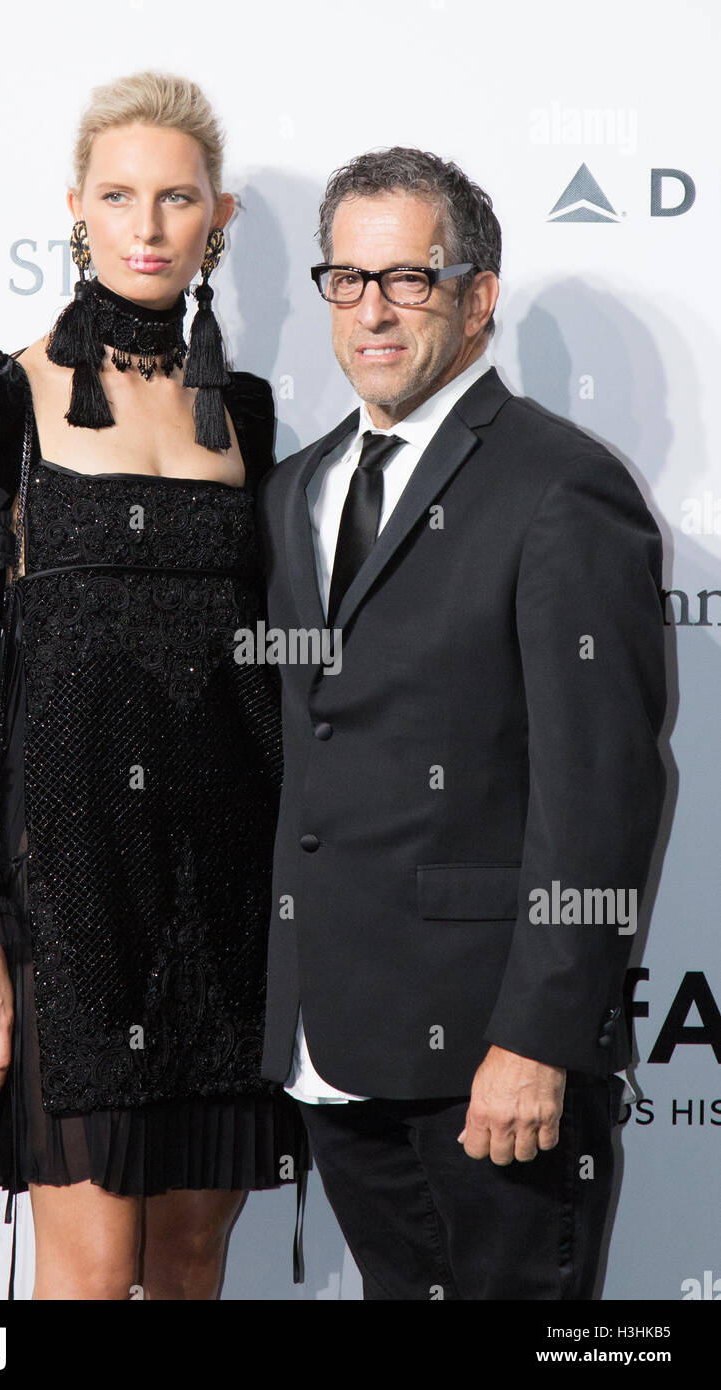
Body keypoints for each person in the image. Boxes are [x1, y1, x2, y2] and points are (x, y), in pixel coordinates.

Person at [0, 69, 308, 1301]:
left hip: (220, 890)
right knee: (86, 1277)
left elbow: (268, 663)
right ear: (75, 207)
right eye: (119, 195)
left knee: (188, 1266)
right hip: (67, 896)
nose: (147, 225)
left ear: (214, 219)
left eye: (175, 199)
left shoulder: (243, 409)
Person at [257, 147, 667, 1300]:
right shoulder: (295, 489)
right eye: (347, 278)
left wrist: (538, 1039)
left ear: (476, 294)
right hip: (332, 1048)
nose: (373, 311)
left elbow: (599, 792)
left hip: (492, 1056)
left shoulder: (560, 486)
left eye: (409, 277)